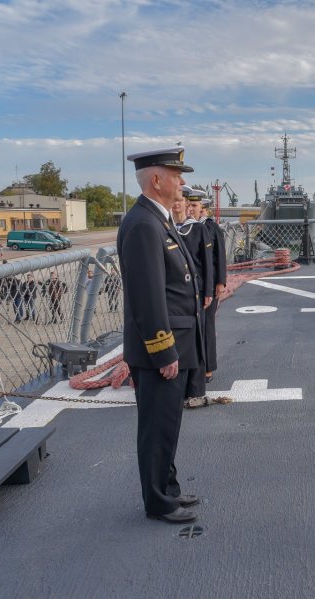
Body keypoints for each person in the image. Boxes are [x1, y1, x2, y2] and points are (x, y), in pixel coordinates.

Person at [117, 146, 204, 525]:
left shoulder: (158, 219)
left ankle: (167, 488)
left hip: (176, 343)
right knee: (156, 428)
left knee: (167, 425)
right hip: (161, 349)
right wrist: (164, 351)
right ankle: (158, 502)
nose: (182, 181)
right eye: (176, 174)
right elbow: (148, 296)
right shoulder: (142, 225)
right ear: (157, 180)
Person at [173, 187, 214, 409]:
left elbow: (207, 262)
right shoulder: (168, 228)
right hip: (177, 294)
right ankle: (178, 386)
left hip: (197, 290)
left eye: (181, 201)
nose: (176, 205)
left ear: (188, 205)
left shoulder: (197, 230)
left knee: (197, 340)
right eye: (175, 201)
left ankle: (196, 389)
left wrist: (208, 291)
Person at [200, 199, 228, 382]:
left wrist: (220, 282)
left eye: (195, 206)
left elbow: (220, 256)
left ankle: (208, 368)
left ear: (205, 210)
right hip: (191, 286)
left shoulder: (212, 228)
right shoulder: (183, 227)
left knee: (207, 325)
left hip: (209, 284)